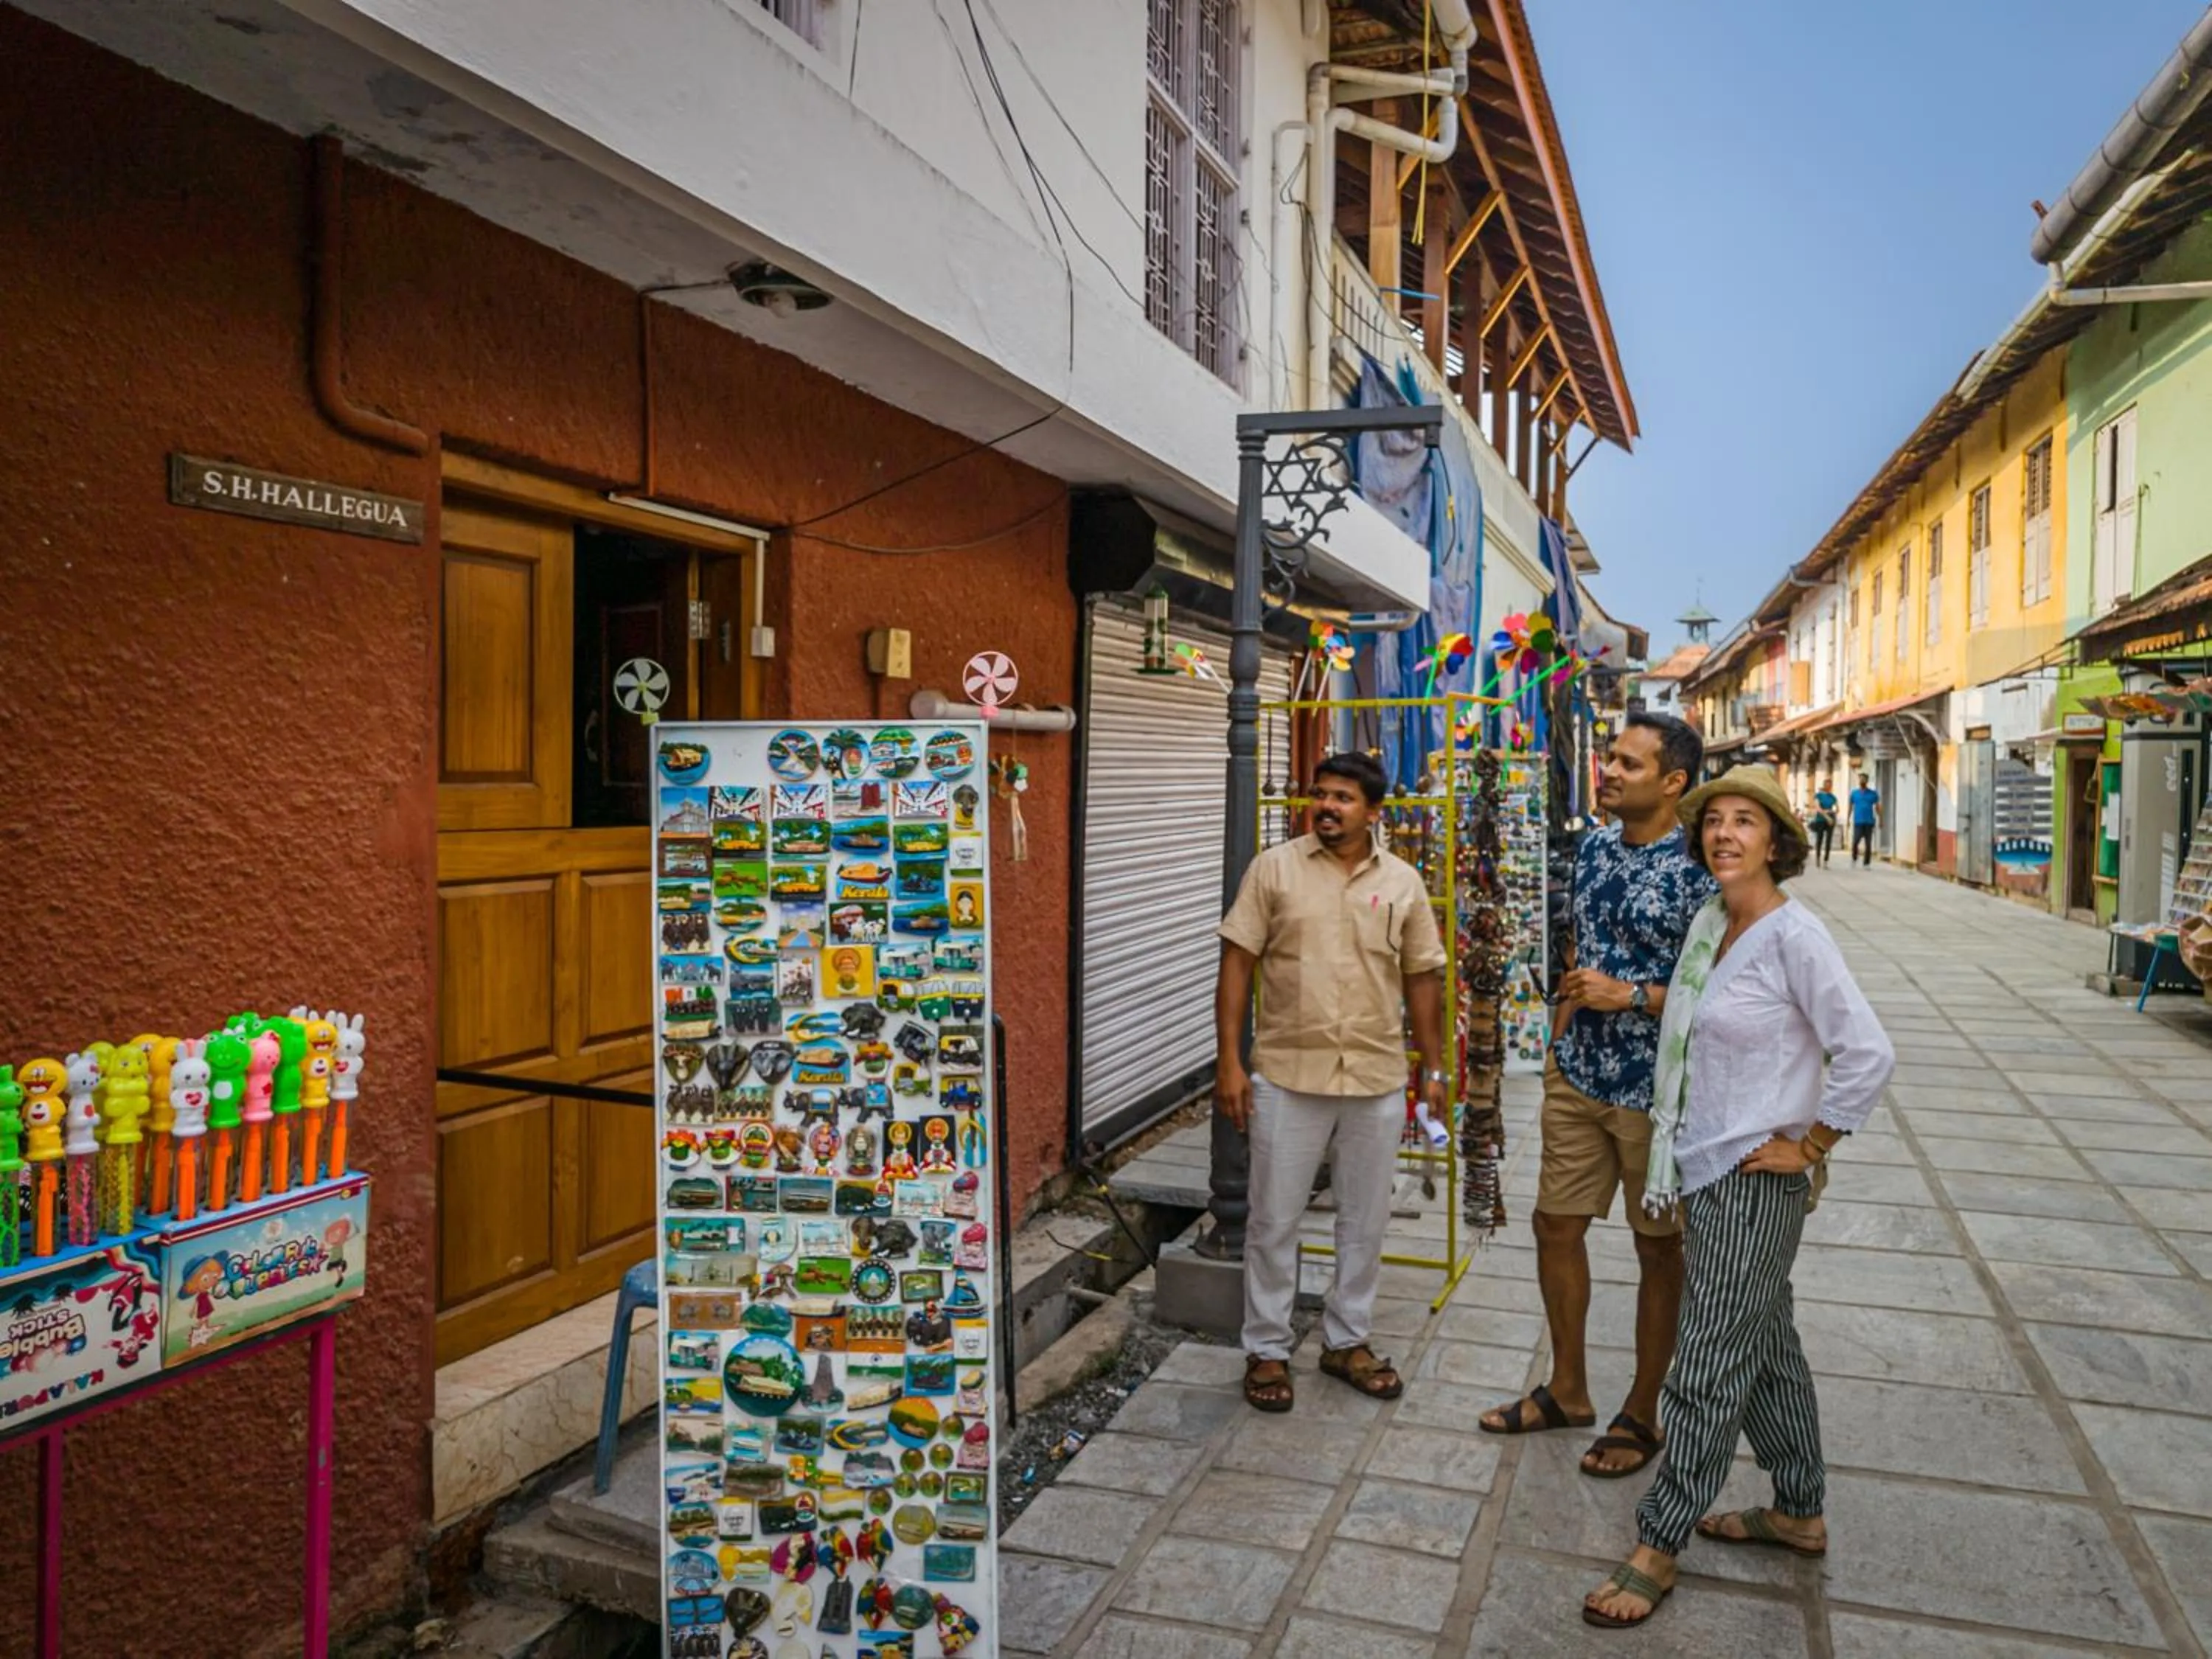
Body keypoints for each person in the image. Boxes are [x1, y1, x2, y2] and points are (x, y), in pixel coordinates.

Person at [1582, 765, 1893, 1630]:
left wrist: (1813, 1142)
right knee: (1767, 1346)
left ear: (1777, 841)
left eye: (1743, 823)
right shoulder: (1716, 924)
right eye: (1712, 822)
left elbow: (1867, 1052)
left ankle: (1659, 1540)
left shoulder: (1797, 937)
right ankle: (1798, 1507)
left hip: (1757, 1180)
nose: (1723, 835)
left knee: (1710, 1358)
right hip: (1706, 1166)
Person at [1480, 712, 1717, 1478]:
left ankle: (1642, 1412)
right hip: (1580, 1074)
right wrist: (1561, 1031)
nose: (1607, 770)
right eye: (1609, 757)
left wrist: (1634, 997)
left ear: (1673, 783)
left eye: (1628, 763)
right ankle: (1568, 1388)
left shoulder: (1704, 867)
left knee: (1659, 1249)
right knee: (1555, 1225)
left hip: (1661, 1091)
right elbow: (1581, 945)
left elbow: (1723, 988)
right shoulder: (1592, 848)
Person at [1217, 751, 1448, 1413]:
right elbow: (1237, 965)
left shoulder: (1403, 883)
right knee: (1272, 1219)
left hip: (1375, 1074)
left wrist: (1433, 1070)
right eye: (1319, 793)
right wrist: (1229, 1063)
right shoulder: (1275, 870)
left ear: (1374, 812)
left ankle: (1348, 1340)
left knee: (1365, 1221)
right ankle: (1266, 1347)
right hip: (1288, 1074)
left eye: (1343, 797)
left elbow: (1422, 979)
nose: (1326, 805)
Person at [1847, 773, 1880, 866]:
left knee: (1868, 844)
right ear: (1859, 781)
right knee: (1855, 842)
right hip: (1858, 822)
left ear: (1867, 781)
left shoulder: (1873, 794)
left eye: (1864, 779)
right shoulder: (1854, 794)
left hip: (1869, 822)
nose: (1862, 781)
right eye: (1861, 779)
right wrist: (1848, 820)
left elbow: (1878, 807)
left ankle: (1866, 863)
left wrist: (1881, 819)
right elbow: (1850, 807)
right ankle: (1854, 858)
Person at [1809, 779, 1838, 868]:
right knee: (1820, 839)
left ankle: (1826, 861)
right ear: (1824, 785)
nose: (1828, 786)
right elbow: (1818, 808)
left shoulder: (1833, 797)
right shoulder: (1818, 796)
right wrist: (1827, 816)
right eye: (1827, 785)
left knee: (1829, 840)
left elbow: (1837, 809)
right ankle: (1818, 858)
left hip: (1831, 819)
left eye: (1830, 785)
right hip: (1821, 819)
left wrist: (1832, 812)